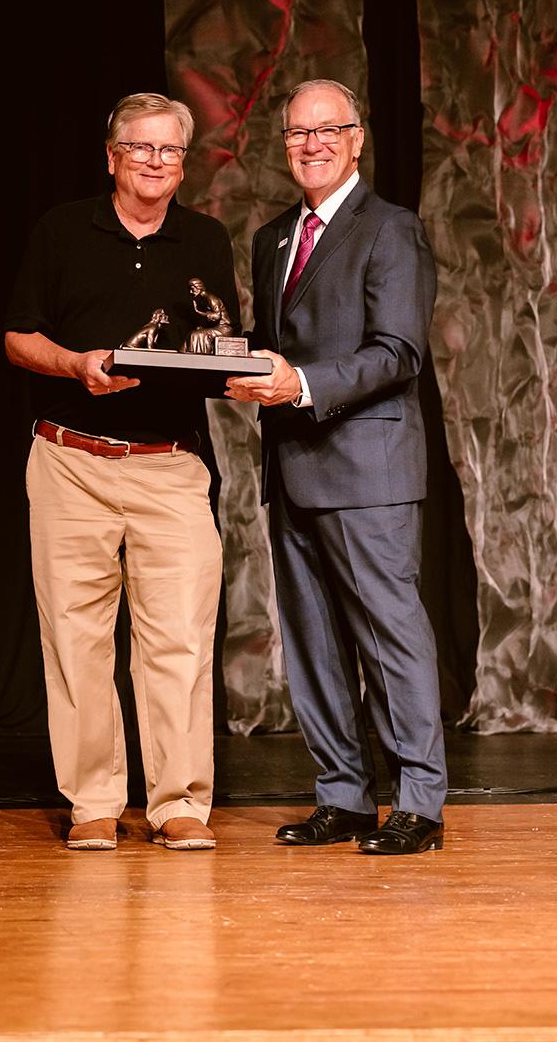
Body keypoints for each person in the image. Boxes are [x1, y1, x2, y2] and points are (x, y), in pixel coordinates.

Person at [5, 92, 239, 851]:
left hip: (169, 467)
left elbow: (219, 341)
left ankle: (178, 804)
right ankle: (95, 803)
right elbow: (17, 337)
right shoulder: (63, 230)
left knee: (177, 639)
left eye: (169, 151)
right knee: (76, 642)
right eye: (140, 148)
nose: (154, 162)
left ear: (183, 164)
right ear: (111, 155)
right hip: (69, 459)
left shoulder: (206, 240)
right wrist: (75, 364)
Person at [226, 78, 447, 855]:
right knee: (314, 643)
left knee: (391, 640)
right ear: (284, 146)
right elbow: (271, 342)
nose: (311, 143)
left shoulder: (392, 230)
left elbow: (398, 352)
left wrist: (302, 384)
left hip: (368, 469)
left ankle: (418, 802)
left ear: (358, 140)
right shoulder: (272, 239)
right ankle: (344, 797)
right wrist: (215, 357)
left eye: (328, 130)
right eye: (296, 133)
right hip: (291, 468)